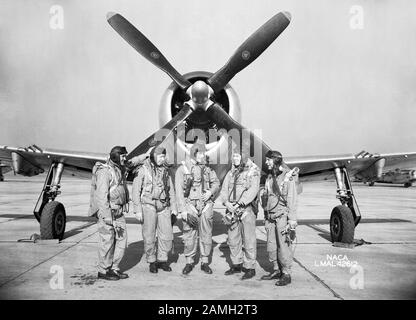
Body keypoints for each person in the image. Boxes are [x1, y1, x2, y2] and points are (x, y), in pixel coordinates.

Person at [175, 141, 220, 275]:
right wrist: (183, 211)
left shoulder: (207, 169)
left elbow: (216, 183)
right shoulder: (182, 170)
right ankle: (189, 262)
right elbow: (179, 192)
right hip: (190, 206)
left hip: (206, 206)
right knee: (189, 235)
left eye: (204, 153)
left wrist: (210, 192)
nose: (203, 155)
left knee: (206, 234)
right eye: (200, 153)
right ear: (193, 154)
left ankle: (204, 261)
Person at [132, 145, 177, 273]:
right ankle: (152, 261)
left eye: (164, 156)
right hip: (148, 206)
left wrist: (174, 208)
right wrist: (137, 210)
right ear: (154, 156)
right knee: (149, 236)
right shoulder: (143, 170)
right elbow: (136, 191)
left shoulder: (166, 171)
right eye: (160, 157)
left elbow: (171, 190)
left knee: (166, 235)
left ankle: (162, 260)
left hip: (164, 207)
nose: (162, 159)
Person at [220, 148, 260, 280]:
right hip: (231, 210)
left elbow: (253, 191)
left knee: (248, 239)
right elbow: (224, 189)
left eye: (237, 156)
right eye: (234, 156)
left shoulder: (253, 171)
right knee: (233, 239)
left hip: (245, 210)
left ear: (243, 157)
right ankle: (236, 264)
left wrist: (239, 204)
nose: (235, 158)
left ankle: (249, 267)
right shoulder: (231, 172)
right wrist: (226, 203)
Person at [259, 150, 298, 286]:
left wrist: (292, 220)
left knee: (284, 246)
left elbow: (291, 199)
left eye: (268, 160)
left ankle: (286, 273)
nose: (266, 162)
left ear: (274, 160)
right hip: (270, 217)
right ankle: (276, 270)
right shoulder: (269, 177)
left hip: (281, 217)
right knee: (271, 246)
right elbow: (267, 196)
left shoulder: (287, 177)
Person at [93, 146, 130, 281]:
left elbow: (134, 162)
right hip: (109, 213)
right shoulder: (104, 172)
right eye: (123, 156)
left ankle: (114, 268)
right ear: (115, 156)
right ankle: (103, 270)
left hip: (119, 212)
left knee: (122, 240)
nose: (125, 158)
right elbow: (101, 197)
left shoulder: (118, 169)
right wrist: (107, 217)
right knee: (107, 242)